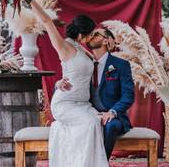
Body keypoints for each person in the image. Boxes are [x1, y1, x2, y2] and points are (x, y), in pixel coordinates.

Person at [17, 0, 109, 167]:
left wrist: (60, 81)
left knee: (95, 120)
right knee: (90, 123)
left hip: (83, 105)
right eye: (90, 34)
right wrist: (32, 2)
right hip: (65, 104)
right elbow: (47, 22)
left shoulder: (83, 49)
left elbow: (76, 72)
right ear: (81, 35)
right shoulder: (64, 46)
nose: (92, 38)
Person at [57, 28, 135, 159]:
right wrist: (58, 84)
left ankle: (101, 162)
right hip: (86, 113)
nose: (91, 36)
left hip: (113, 116)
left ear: (106, 40)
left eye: (96, 34)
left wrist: (113, 112)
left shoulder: (121, 65)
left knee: (110, 126)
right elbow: (69, 86)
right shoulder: (84, 64)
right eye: (91, 33)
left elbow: (129, 95)